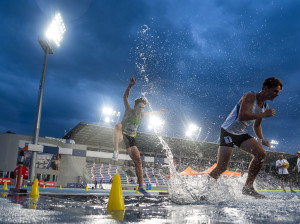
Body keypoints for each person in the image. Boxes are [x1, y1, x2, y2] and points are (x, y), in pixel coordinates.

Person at [209, 77, 283, 199]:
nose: (277, 94)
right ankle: (206, 189)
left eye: (278, 92)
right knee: (222, 167)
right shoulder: (250, 96)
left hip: (240, 132)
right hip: (228, 131)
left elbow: (257, 125)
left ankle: (248, 188)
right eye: (275, 91)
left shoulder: (265, 106)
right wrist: (264, 115)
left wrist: (262, 139)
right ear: (265, 88)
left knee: (261, 154)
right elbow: (242, 116)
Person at [112, 78, 166, 196]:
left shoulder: (143, 115)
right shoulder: (129, 111)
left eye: (143, 108)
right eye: (139, 107)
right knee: (118, 125)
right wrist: (130, 86)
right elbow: (125, 98)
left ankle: (141, 186)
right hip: (122, 137)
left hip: (131, 139)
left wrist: (160, 112)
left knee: (138, 161)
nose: (141, 110)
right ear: (135, 106)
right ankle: (116, 150)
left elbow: (152, 113)